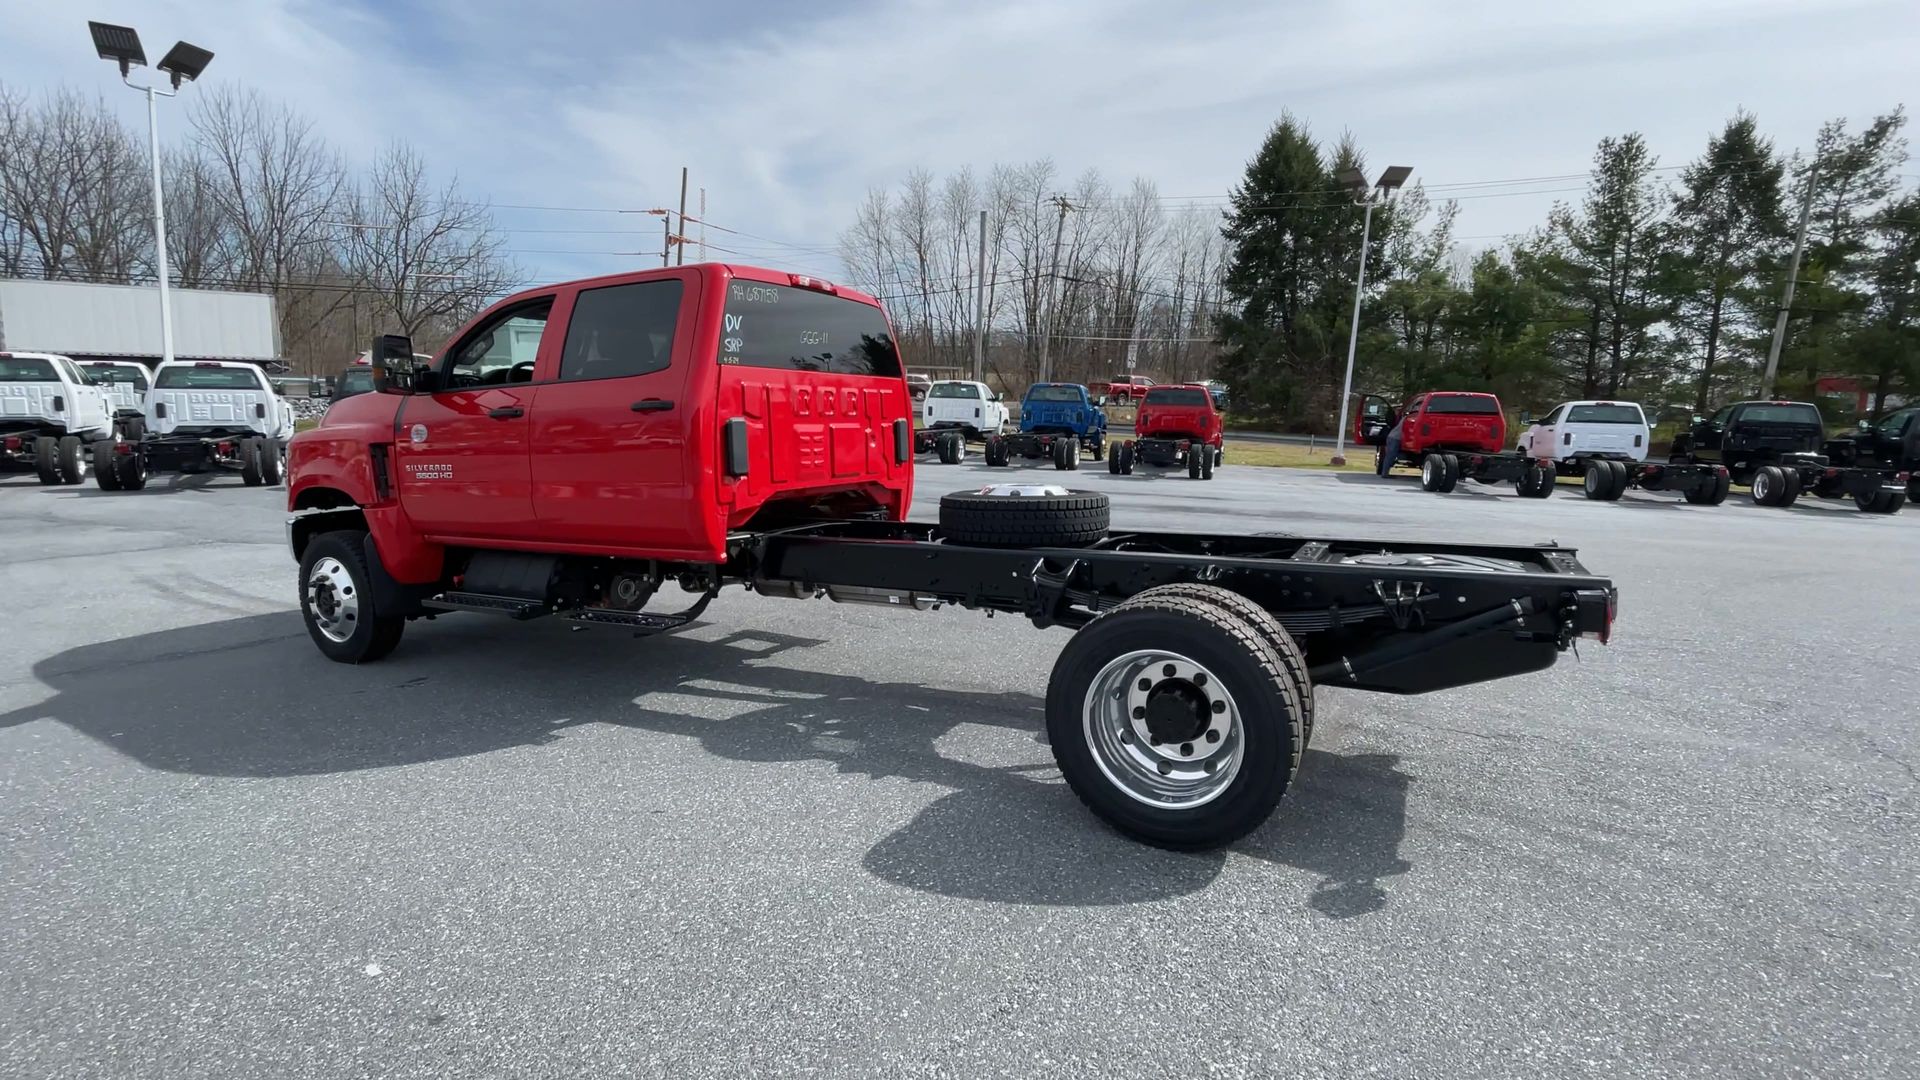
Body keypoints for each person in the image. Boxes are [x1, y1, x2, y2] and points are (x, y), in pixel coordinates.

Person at [1376, 410, 1404, 477]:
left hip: (1392, 437)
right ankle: (1385, 474)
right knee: (1390, 456)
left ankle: (1385, 473)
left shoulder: (1405, 418)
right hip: (1395, 438)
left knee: (1389, 456)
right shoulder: (1407, 419)